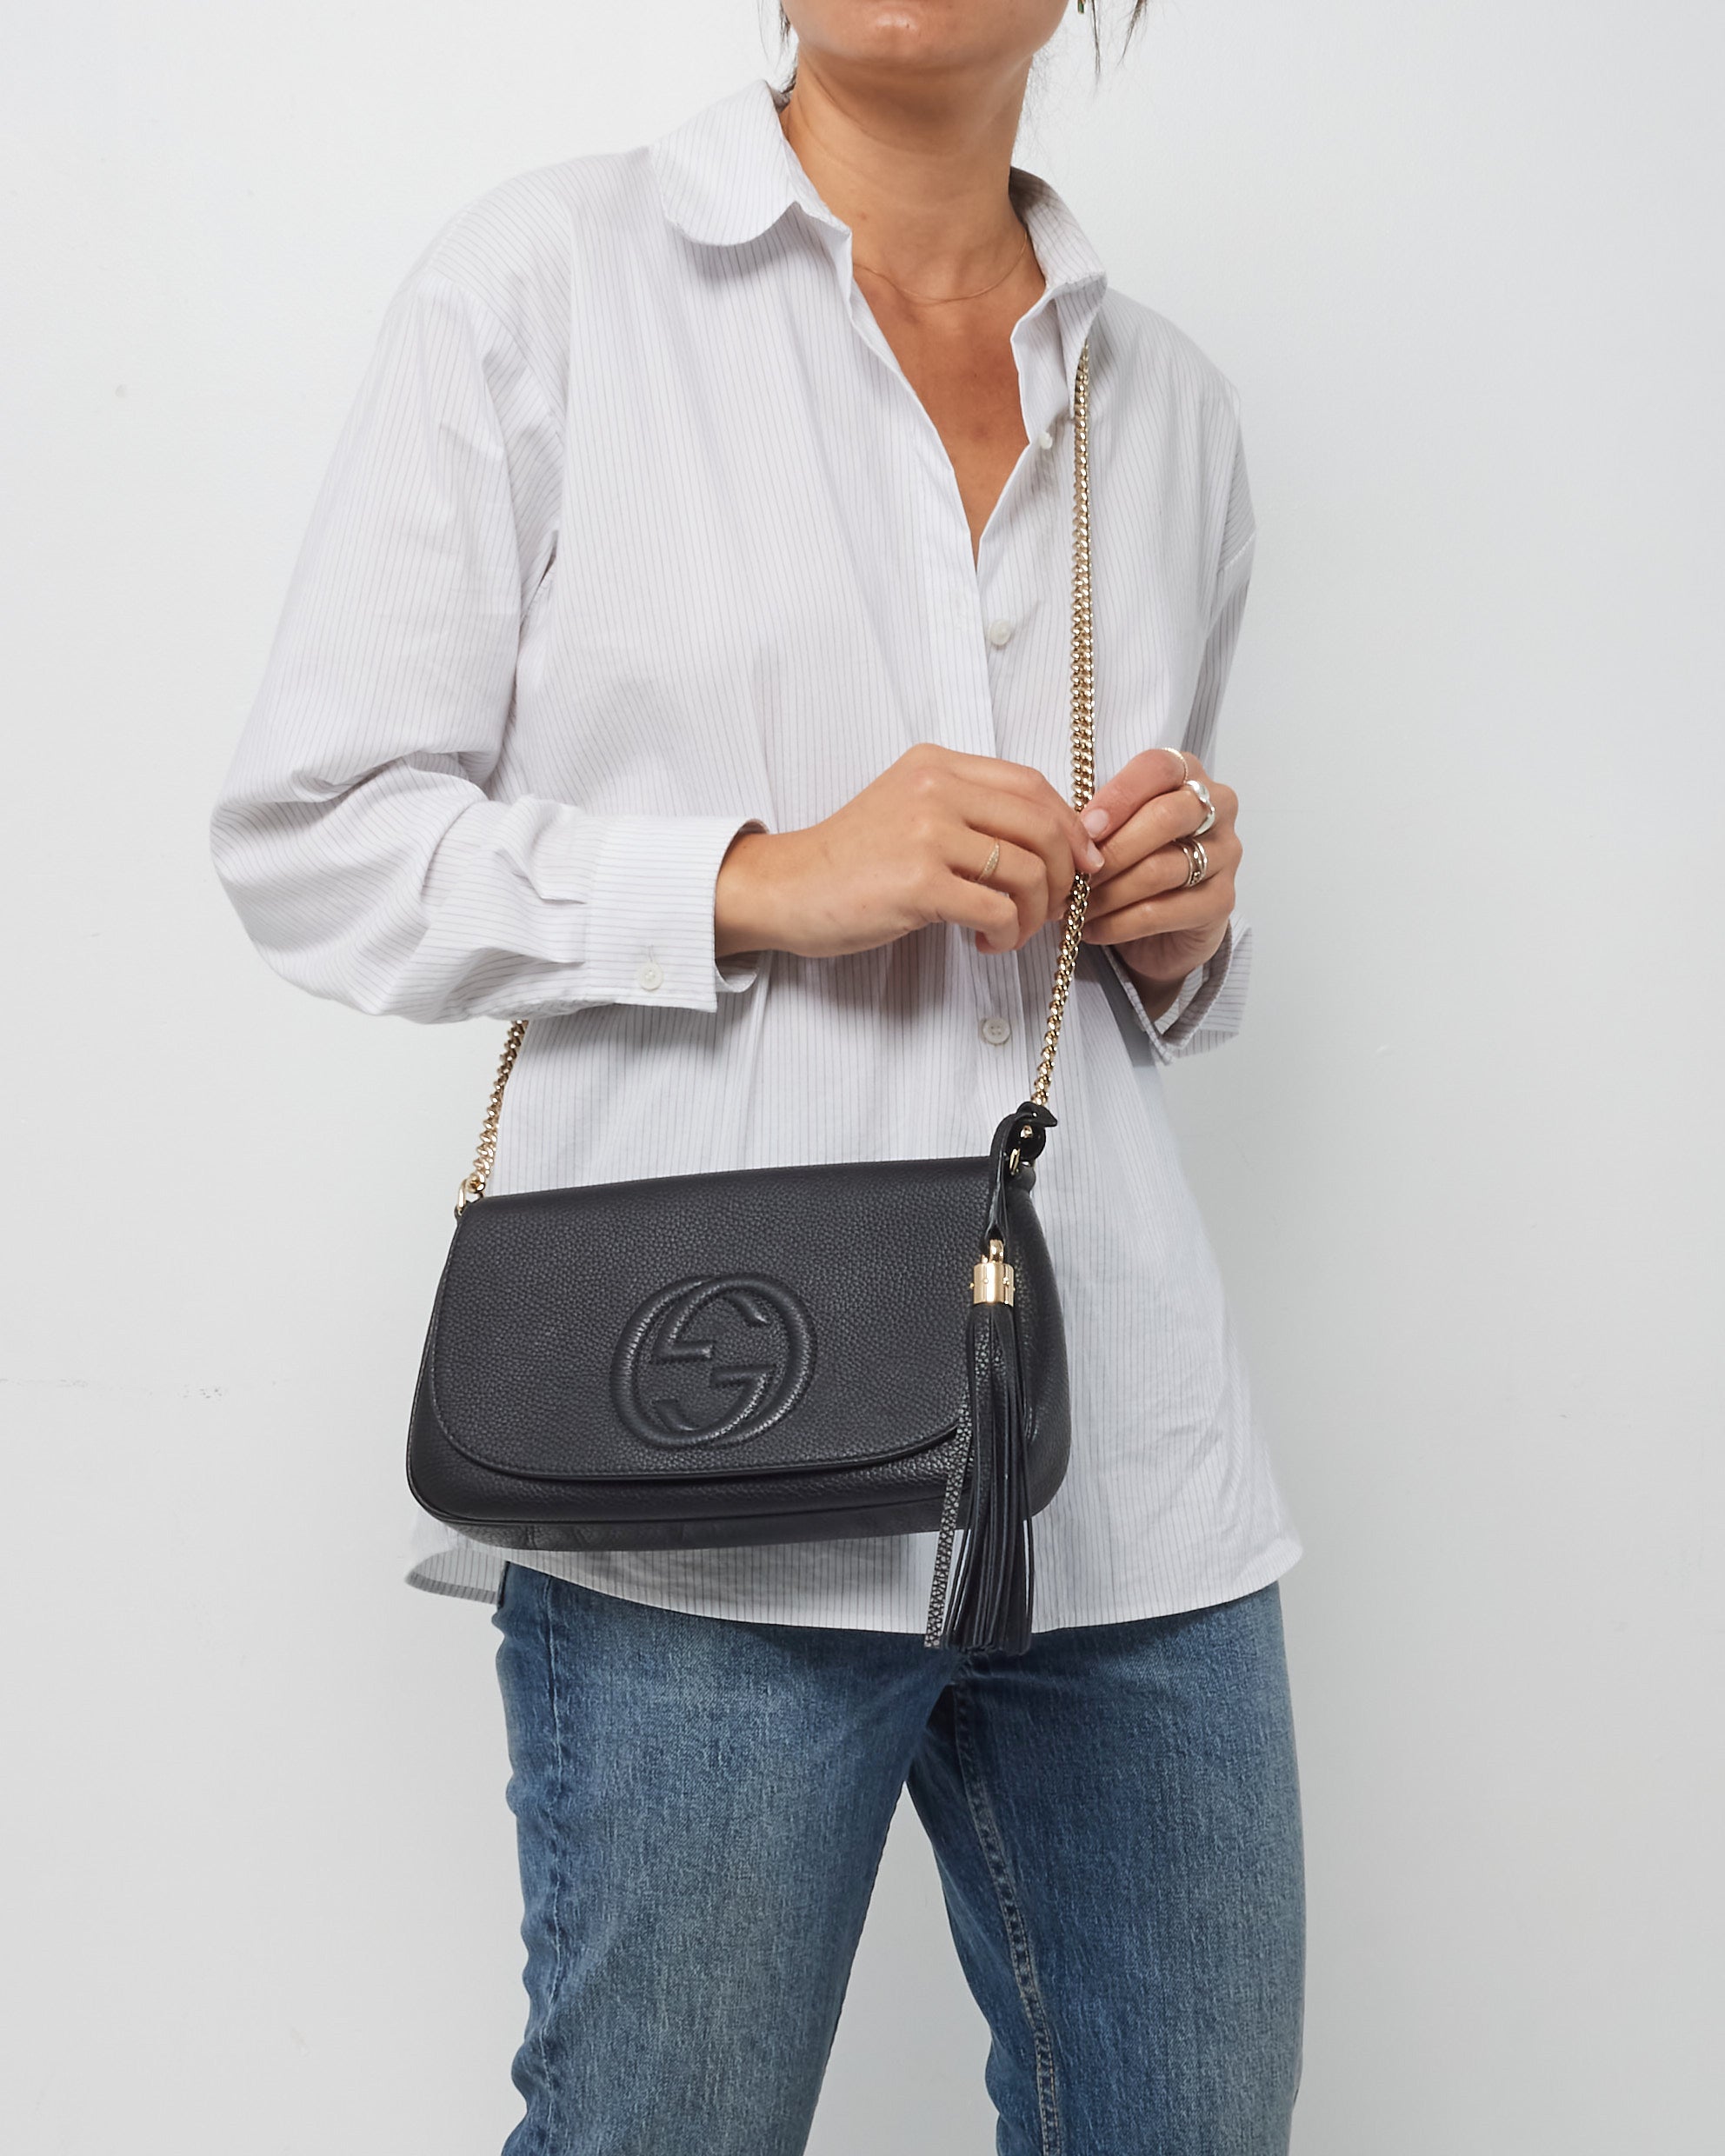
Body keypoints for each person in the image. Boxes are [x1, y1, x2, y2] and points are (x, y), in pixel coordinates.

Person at [210, 3, 1305, 2149]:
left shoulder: (1163, 403)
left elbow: (1127, 967)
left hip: (1125, 1484)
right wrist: (750, 877)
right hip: (701, 1482)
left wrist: (1177, 930)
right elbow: (311, 834)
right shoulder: (544, 289)